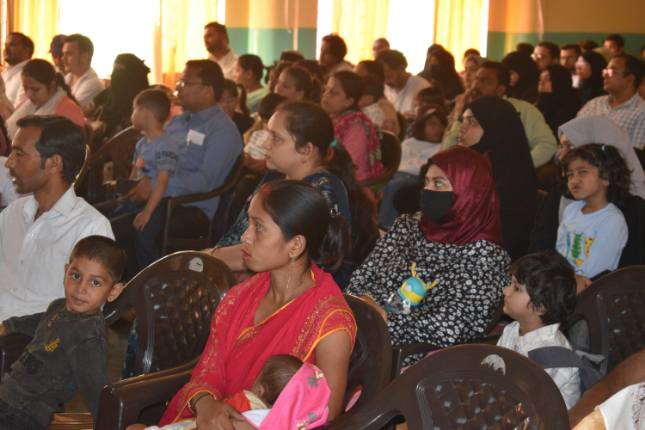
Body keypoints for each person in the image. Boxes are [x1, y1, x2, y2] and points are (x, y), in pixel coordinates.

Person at [149, 179, 357, 428]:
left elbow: (327, 415)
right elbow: (209, 370)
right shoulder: (241, 296)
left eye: (259, 227)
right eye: (249, 223)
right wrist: (205, 403)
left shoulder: (329, 319)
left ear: (295, 246)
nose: (245, 236)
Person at [346, 146, 510, 366]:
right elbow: (361, 279)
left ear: (468, 193)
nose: (427, 190)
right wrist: (366, 302)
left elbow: (450, 327)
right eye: (426, 182)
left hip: (417, 361)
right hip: (361, 332)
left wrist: (379, 321)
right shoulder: (408, 227)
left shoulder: (486, 258)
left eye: (439, 184)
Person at [99, 60, 242, 279]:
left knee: (107, 230)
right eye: (179, 81)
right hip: (153, 197)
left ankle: (137, 288)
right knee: (91, 217)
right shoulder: (177, 122)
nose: (178, 87)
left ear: (207, 90)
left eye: (185, 82)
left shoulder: (222, 129)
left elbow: (206, 181)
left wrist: (156, 186)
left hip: (186, 208)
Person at [212, 101, 379, 288]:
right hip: (253, 273)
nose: (265, 143)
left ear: (306, 150)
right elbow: (240, 230)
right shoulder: (276, 174)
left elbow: (283, 259)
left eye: (276, 138)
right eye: (268, 134)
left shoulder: (321, 192)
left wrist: (211, 257)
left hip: (297, 294)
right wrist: (214, 256)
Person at [0, 235, 125, 429]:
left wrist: (107, 424)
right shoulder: (58, 306)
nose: (81, 288)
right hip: (7, 394)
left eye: (95, 282)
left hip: (26, 414)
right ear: (66, 272)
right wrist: (9, 326)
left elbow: (96, 388)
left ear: (113, 291)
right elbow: (38, 321)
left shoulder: (88, 338)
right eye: (76, 276)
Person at [0, 115, 114, 323]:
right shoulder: (14, 212)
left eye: (19, 154)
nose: (9, 162)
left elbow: (85, 311)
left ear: (54, 163)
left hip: (34, 336)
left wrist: (13, 328)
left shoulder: (89, 227)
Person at [105, 89, 181, 273]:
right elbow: (135, 172)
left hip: (155, 203)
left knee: (144, 237)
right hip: (135, 199)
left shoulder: (165, 145)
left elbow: (162, 181)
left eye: (134, 109)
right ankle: (126, 274)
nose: (131, 115)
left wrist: (147, 212)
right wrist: (126, 192)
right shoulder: (142, 143)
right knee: (107, 224)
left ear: (145, 112)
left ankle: (151, 277)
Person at [458, 96, 539, 261]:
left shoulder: (512, 192)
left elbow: (496, 255)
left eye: (471, 122)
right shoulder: (473, 174)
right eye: (463, 121)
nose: (461, 128)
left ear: (495, 130)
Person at [497, 252, 580, 409]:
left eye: (516, 288)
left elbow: (527, 401)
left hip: (547, 417)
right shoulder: (511, 330)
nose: (506, 291)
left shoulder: (553, 354)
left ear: (541, 307)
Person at [443, 61, 558, 169]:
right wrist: (459, 116)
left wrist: (511, 168)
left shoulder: (522, 110)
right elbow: (446, 155)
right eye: (476, 79)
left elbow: (547, 146)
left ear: (500, 90)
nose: (476, 85)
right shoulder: (470, 112)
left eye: (485, 81)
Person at [556, 144, 630, 279]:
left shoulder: (611, 219)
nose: (574, 180)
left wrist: (569, 281)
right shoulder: (571, 210)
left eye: (582, 172)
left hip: (593, 285)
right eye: (570, 175)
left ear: (606, 177)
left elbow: (597, 265)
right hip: (565, 280)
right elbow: (560, 248)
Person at [378, 104, 446, 228]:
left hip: (415, 177)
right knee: (385, 185)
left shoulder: (440, 147)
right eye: (433, 124)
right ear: (422, 125)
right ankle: (378, 221)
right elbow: (396, 161)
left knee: (396, 185)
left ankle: (387, 225)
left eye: (441, 124)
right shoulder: (409, 142)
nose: (438, 128)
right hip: (397, 174)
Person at [322, 71, 385, 182]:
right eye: (327, 89)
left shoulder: (356, 126)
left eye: (334, 92)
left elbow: (347, 165)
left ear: (349, 101)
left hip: (350, 184)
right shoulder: (331, 120)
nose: (326, 94)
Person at [5, 59, 85, 144]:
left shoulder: (69, 109)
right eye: (25, 88)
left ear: (52, 85)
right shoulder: (26, 103)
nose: (28, 94)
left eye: (35, 89)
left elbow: (70, 146)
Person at [577, 54, 645, 149]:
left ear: (630, 79)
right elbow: (572, 136)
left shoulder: (641, 113)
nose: (605, 75)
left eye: (612, 71)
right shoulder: (594, 104)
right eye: (605, 70)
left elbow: (633, 155)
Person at [87, 53, 150, 137]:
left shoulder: (142, 101)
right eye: (114, 68)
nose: (116, 73)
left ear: (133, 72)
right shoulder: (105, 94)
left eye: (120, 68)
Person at [376, 49, 430, 118]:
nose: (386, 82)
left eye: (389, 76)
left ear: (402, 68)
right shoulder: (384, 89)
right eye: (383, 78)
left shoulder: (422, 87)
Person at [353, 60, 400, 136]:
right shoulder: (359, 104)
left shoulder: (383, 106)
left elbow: (388, 135)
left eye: (359, 75)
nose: (354, 79)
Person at [536, 64, 583, 137]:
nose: (541, 83)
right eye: (540, 79)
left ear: (560, 81)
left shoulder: (569, 108)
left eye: (548, 79)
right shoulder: (539, 104)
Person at [62, 34, 105, 108]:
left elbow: (69, 109)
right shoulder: (68, 77)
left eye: (69, 54)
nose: (63, 58)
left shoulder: (93, 84)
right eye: (63, 54)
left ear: (84, 57)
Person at [2, 32, 33, 109]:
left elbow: (21, 110)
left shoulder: (30, 74)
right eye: (5, 45)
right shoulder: (4, 74)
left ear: (26, 51)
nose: (6, 49)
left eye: (12, 45)